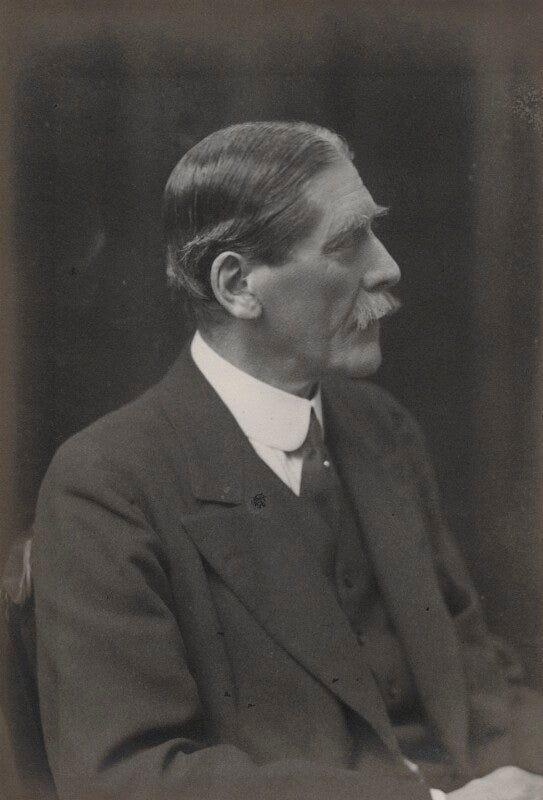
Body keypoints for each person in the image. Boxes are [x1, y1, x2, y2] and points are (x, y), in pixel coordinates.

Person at [32, 121, 543, 800]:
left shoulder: (382, 429)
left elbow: (480, 684)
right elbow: (131, 777)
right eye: (346, 242)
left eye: (375, 231)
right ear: (238, 285)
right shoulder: (107, 484)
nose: (386, 267)